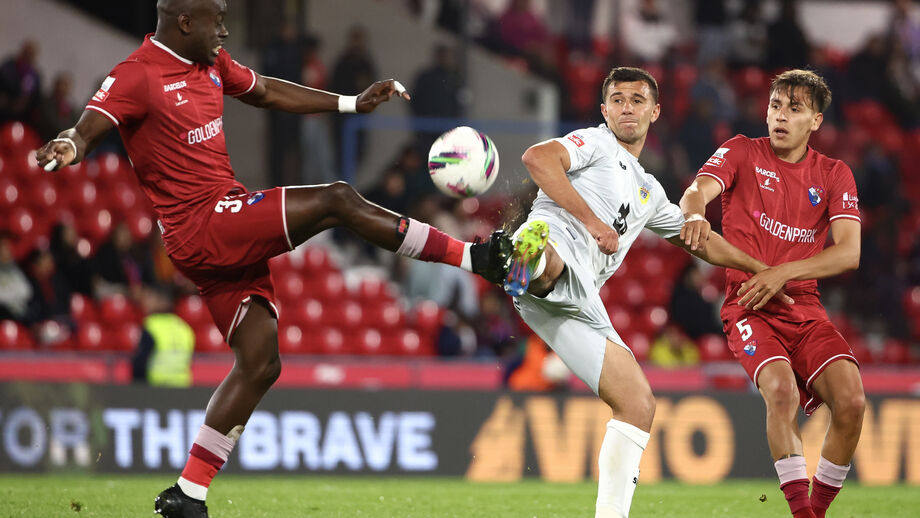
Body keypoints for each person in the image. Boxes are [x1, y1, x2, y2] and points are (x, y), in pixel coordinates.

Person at [35, 1, 509, 516]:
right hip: (205, 223)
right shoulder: (136, 74)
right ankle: (474, 258)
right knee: (337, 199)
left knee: (261, 363)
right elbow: (88, 126)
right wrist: (68, 145)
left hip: (215, 231)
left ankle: (187, 494)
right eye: (216, 18)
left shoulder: (210, 61)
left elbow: (265, 91)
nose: (224, 26)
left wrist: (349, 104)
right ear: (184, 21)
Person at [499, 66, 791, 518]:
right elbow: (538, 158)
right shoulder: (595, 143)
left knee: (638, 404)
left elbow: (700, 241)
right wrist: (592, 222)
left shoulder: (649, 191)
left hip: (574, 301)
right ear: (604, 110)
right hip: (559, 251)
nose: (626, 107)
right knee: (550, 256)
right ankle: (526, 256)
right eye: (617, 99)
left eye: (637, 100)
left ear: (654, 112)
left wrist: (761, 268)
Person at [678, 69, 864, 518]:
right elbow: (695, 191)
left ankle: (814, 512)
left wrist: (782, 273)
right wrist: (695, 211)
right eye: (775, 106)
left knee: (853, 401)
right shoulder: (742, 151)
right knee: (781, 392)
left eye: (794, 109)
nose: (780, 116)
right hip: (749, 306)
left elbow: (849, 254)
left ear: (815, 121)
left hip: (804, 307)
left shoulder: (834, 174)